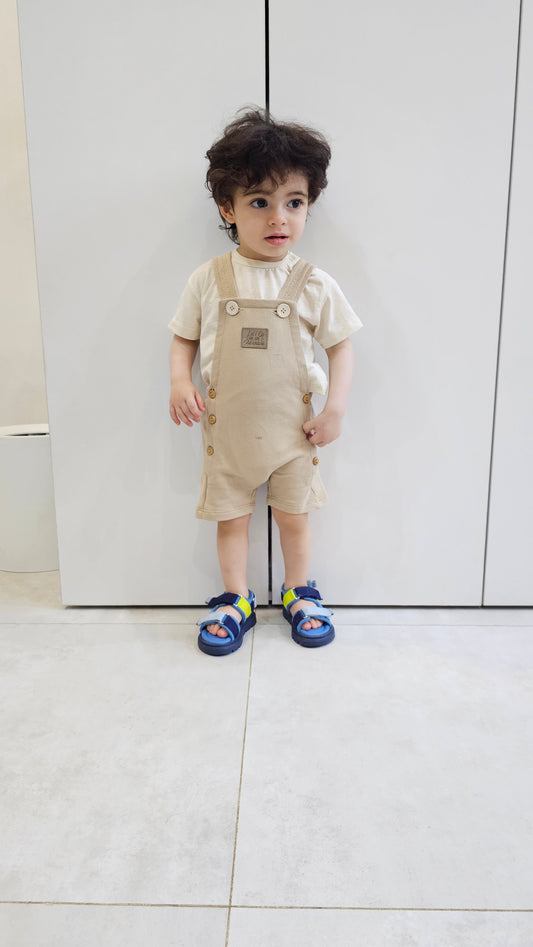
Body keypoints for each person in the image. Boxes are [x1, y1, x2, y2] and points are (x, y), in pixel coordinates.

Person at [168, 107, 362, 655]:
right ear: (227, 208)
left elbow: (341, 346)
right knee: (230, 522)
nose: (279, 218)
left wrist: (335, 408)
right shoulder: (209, 278)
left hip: (294, 434)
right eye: (260, 202)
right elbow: (183, 336)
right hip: (227, 435)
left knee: (293, 519)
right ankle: (237, 598)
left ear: (308, 205)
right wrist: (180, 381)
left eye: (294, 203)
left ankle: (299, 592)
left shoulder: (313, 283)